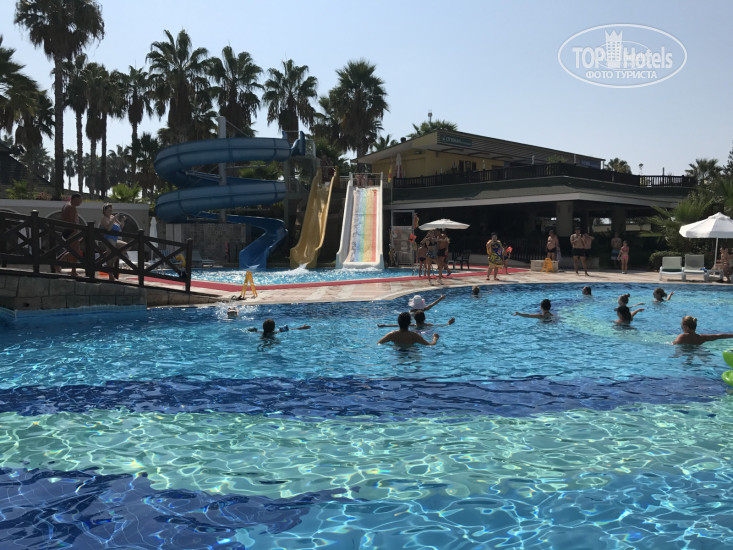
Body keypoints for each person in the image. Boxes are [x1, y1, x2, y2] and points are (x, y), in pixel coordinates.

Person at [99, 203, 127, 280]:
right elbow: (108, 228)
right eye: (109, 210)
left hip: (115, 239)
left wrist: (122, 220)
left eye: (111, 210)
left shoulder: (112, 217)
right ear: (104, 211)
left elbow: (121, 226)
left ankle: (111, 263)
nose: (111, 212)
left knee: (126, 246)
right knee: (111, 253)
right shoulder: (104, 218)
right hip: (108, 239)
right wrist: (114, 219)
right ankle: (111, 275)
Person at [59, 193, 83, 276]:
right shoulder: (72, 207)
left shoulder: (66, 205)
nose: (81, 202)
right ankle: (71, 269)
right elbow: (73, 222)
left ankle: (60, 264)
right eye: (80, 200)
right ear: (75, 199)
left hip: (67, 230)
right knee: (76, 251)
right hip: (72, 231)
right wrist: (76, 233)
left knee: (72, 251)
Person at [378, 311, 455, 328]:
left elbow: (396, 325)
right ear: (424, 318)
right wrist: (448, 323)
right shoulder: (429, 325)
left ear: (414, 318)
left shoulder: (412, 325)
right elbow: (440, 326)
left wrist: (384, 325)